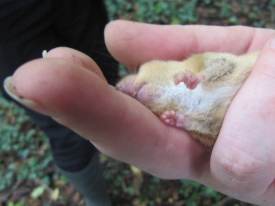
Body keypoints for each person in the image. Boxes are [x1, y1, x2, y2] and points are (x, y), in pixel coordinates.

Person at [5, 20, 275, 205]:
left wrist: (197, 75)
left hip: (222, 76)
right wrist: (184, 122)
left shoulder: (172, 69)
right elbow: (208, 138)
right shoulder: (171, 114)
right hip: (214, 119)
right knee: (208, 135)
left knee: (217, 73)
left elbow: (217, 64)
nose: (134, 90)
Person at [0, 1, 118, 205]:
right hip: (7, 25)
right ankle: (97, 199)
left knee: (103, 68)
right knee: (66, 125)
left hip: (71, 7)